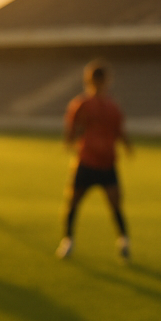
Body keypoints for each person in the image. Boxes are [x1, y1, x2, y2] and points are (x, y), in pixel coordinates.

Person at [58, 62, 131, 260]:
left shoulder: (111, 106)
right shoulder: (82, 104)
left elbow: (119, 130)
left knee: (115, 204)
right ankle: (68, 240)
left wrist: (126, 145)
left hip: (106, 163)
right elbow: (71, 128)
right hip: (87, 161)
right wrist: (72, 139)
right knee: (73, 202)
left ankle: (124, 240)